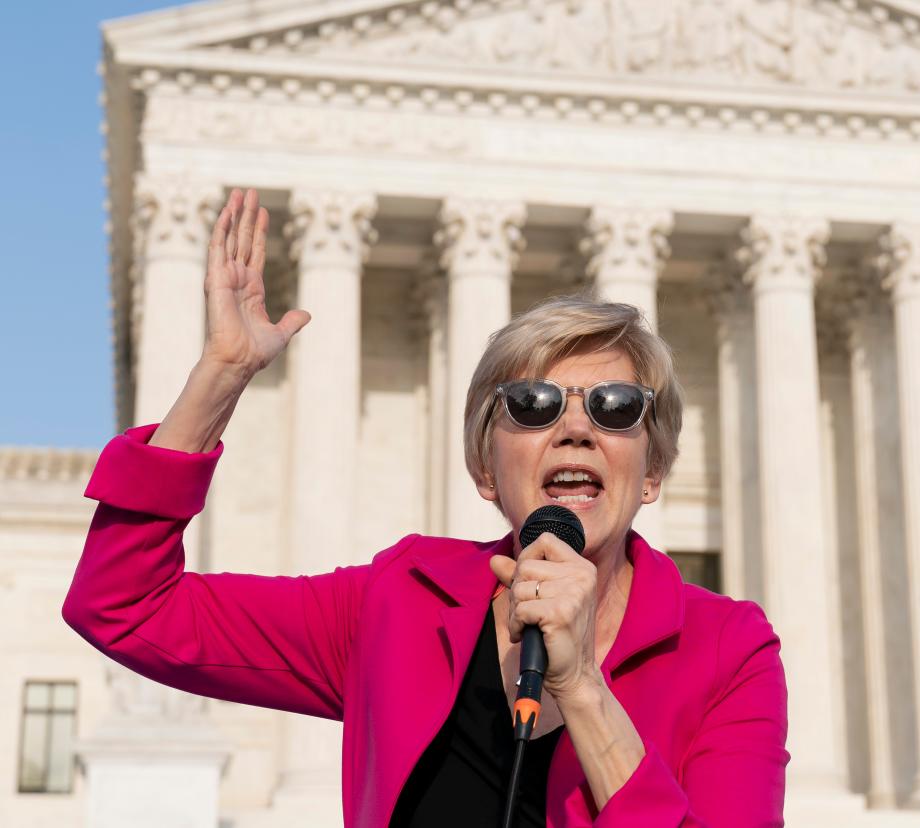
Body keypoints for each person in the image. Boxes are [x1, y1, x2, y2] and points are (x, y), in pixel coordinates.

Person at [62, 188, 789, 826]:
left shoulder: (728, 652)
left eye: (615, 406)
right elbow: (124, 606)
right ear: (482, 468)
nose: (574, 427)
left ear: (653, 468)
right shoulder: (398, 604)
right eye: (531, 406)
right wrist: (221, 374)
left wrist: (582, 688)